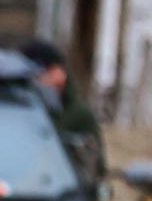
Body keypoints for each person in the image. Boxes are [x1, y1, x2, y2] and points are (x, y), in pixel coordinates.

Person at [21, 38, 106, 187]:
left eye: (56, 69)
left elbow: (96, 169)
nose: (58, 77)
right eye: (48, 71)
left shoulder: (79, 115)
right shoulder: (17, 111)